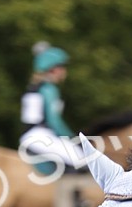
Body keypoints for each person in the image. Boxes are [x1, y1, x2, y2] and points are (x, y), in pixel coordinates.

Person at [19, 43, 87, 173]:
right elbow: (54, 121)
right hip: (40, 135)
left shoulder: (36, 86)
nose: (63, 71)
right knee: (81, 158)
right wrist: (72, 138)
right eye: (60, 67)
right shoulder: (48, 89)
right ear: (51, 69)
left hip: (33, 135)